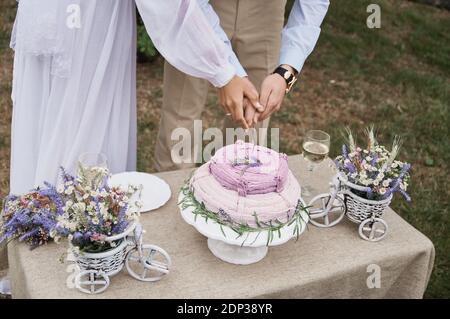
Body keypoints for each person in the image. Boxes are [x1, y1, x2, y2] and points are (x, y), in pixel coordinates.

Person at [9, 0, 259, 195]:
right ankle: (80, 234)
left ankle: (38, 219)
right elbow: (170, 8)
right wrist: (223, 72)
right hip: (90, 28)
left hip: (52, 18)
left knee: (44, 125)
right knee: (84, 134)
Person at [154, 0, 330, 172]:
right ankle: (174, 192)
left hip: (266, 14)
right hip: (196, 9)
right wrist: (231, 75)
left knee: (250, 128)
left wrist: (287, 72)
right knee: (180, 120)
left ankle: (235, 193)